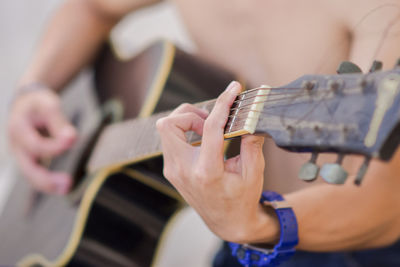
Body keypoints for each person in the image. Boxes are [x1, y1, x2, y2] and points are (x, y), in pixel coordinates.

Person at [7, 0, 400, 266]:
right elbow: (92, 7)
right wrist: (35, 88)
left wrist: (257, 224)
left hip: (340, 239)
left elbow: (384, 205)